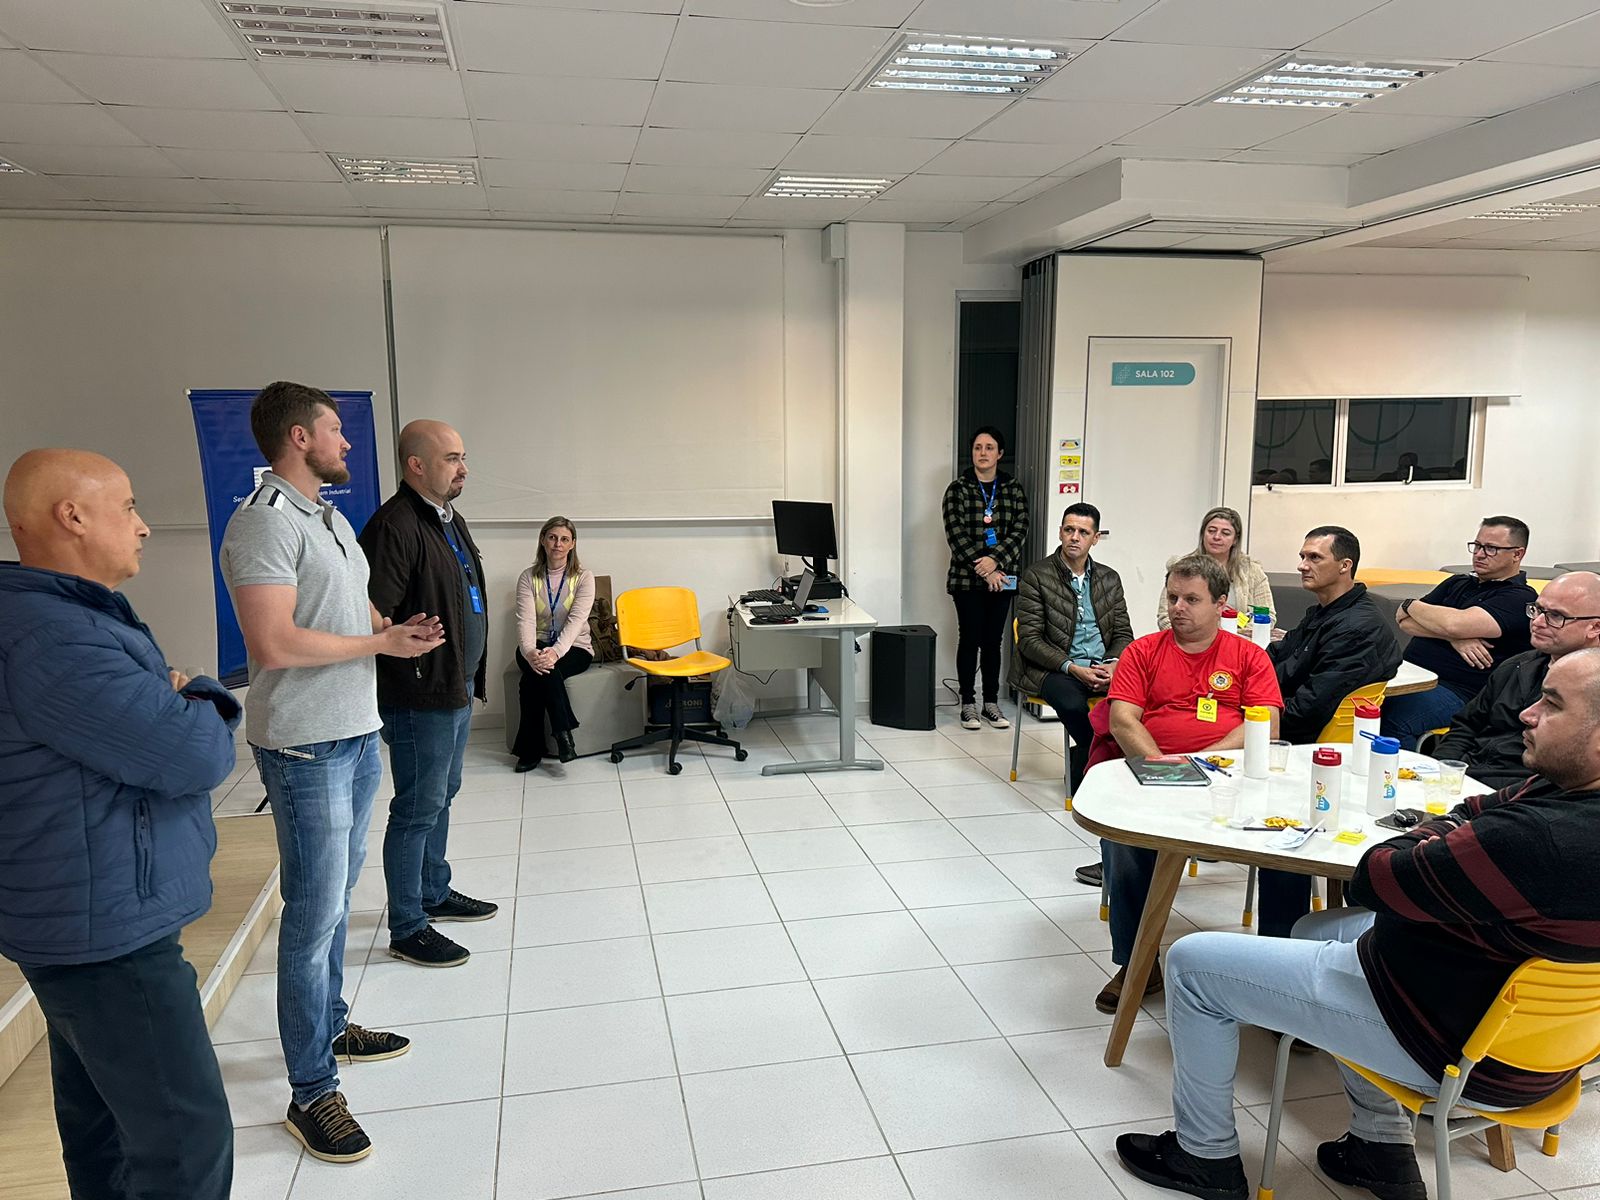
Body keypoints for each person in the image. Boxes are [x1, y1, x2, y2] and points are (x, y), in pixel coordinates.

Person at [1113, 647, 1600, 1200]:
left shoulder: (1535, 838)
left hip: (1459, 1048)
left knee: (1191, 963)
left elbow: (1377, 875)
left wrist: (1435, 833)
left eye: (1552, 704)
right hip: (1551, 1049)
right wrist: (1451, 832)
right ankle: (1379, 1145)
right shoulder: (1563, 794)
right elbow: (1474, 812)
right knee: (1318, 929)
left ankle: (1205, 1157)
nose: (1527, 714)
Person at [0, 450, 239, 1200]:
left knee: (104, 1124)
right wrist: (199, 695)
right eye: (129, 507)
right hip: (104, 932)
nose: (143, 527)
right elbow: (195, 755)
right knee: (185, 1141)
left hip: (84, 913)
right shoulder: (54, 640)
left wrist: (170, 702)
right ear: (72, 516)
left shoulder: (59, 618)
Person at [220, 381, 445, 1164]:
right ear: (298, 437)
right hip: (304, 745)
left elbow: (349, 610)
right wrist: (379, 645)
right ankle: (311, 1089)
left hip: (353, 733)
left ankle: (330, 1025)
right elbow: (274, 642)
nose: (348, 442)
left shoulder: (329, 517)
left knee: (337, 899)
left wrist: (392, 626)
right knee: (313, 912)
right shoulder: (263, 522)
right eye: (335, 430)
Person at [1093, 554, 1283, 1013]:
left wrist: (1204, 762)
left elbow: (1266, 723)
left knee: (1287, 851)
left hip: (1233, 778)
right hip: (1156, 775)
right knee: (1124, 842)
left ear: (1221, 604)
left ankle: (1282, 980)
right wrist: (1165, 767)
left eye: (1191, 599)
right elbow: (1123, 720)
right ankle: (1137, 964)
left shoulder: (1249, 656)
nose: (1178, 607)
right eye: (1173, 597)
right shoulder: (1143, 651)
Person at [358, 419, 498, 971]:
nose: (464, 469)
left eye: (463, 457)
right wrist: (396, 636)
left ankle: (433, 890)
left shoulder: (446, 517)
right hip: (420, 693)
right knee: (417, 806)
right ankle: (408, 925)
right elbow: (372, 612)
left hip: (453, 683)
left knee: (442, 793)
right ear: (416, 465)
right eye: (452, 459)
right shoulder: (394, 525)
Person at [1009, 502, 1135, 795]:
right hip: (1054, 668)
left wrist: (1113, 664)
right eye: (1069, 530)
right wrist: (1073, 668)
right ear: (1060, 533)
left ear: (1095, 538)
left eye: (1083, 532)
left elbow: (1122, 633)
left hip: (1102, 666)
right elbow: (1029, 640)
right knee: (1071, 704)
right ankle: (1103, 763)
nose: (1074, 537)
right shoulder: (1037, 576)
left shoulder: (1109, 578)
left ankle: (1085, 759)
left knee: (1141, 698)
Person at [1381, 516, 1538, 749]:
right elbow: (1405, 622)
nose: (1480, 554)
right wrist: (1451, 637)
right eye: (1477, 546)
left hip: (1460, 691)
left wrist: (1411, 605)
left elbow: (1454, 623)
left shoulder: (1519, 598)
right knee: (1355, 698)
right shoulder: (1457, 583)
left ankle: (1401, 770)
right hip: (1412, 675)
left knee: (1394, 718)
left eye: (1491, 548)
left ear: (1517, 554)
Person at [1434, 571, 1600, 790]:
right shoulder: (1517, 665)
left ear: (1595, 627)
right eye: (1537, 610)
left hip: (1522, 795)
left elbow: (1568, 772)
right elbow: (1465, 726)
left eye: (1556, 616)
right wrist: (1442, 770)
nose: (1537, 622)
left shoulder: (1592, 688)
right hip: (1464, 779)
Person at [942, 425, 1029, 731]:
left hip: (1002, 578)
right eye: (978, 447)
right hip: (967, 580)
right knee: (969, 639)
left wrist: (996, 563)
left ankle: (991, 702)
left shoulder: (1013, 488)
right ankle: (968, 703)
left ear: (1000, 454)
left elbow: (1020, 529)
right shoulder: (958, 489)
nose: (983, 453)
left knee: (993, 642)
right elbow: (956, 534)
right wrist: (985, 569)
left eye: (989, 448)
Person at [513, 515, 596, 771]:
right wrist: (530, 652)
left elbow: (576, 621)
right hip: (535, 645)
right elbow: (525, 621)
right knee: (539, 671)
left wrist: (555, 652)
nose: (558, 544)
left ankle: (530, 751)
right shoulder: (528, 577)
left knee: (534, 679)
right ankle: (564, 735)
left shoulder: (584, 577)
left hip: (575, 647)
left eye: (564, 539)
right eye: (552, 537)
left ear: (572, 544)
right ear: (542, 540)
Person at [1155, 507, 1272, 632]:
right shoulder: (1181, 568)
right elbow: (1165, 618)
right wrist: (1197, 637)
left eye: (1225, 533)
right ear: (1203, 534)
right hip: (1190, 640)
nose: (1216, 537)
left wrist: (1231, 637)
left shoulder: (1252, 570)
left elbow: (1268, 617)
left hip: (1238, 639)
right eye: (1211, 531)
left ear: (1235, 539)